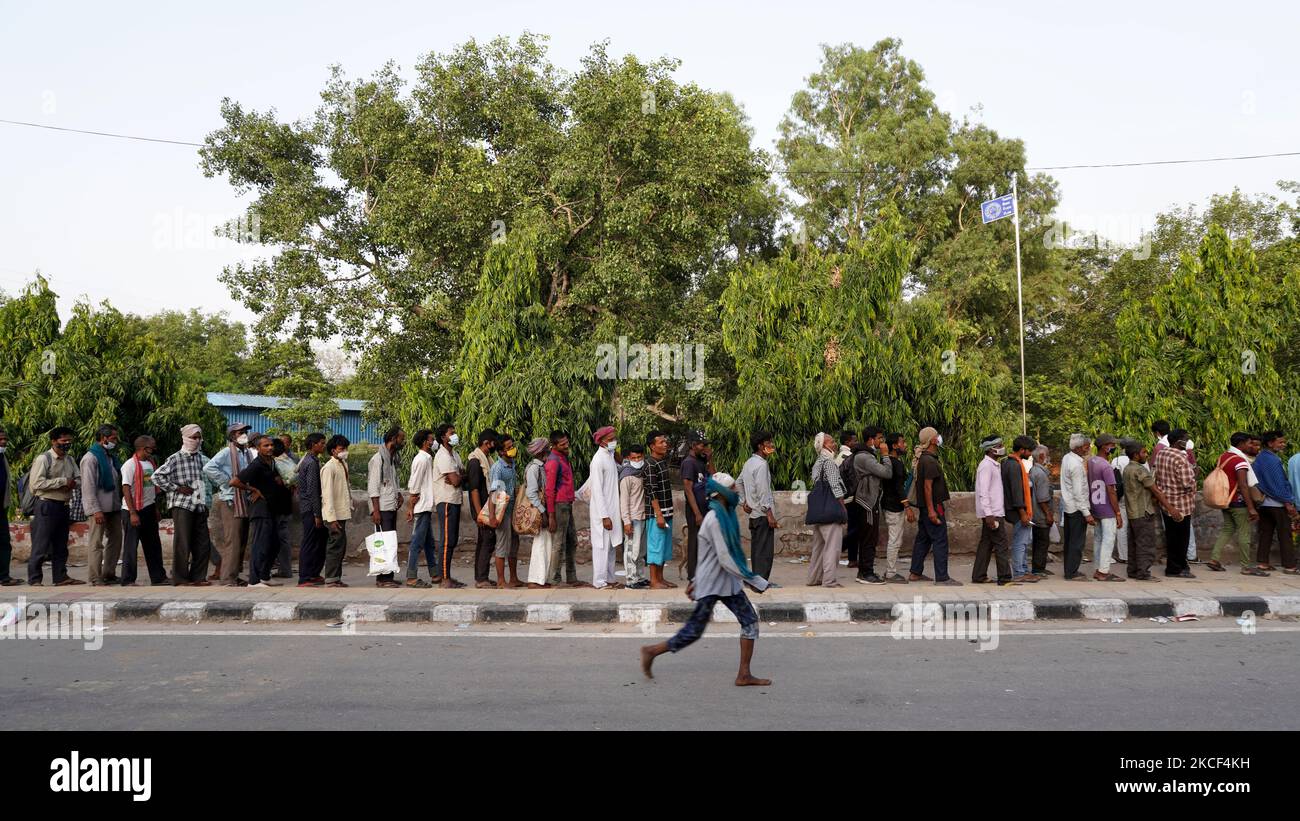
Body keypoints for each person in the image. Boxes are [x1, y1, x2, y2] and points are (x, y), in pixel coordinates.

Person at [640, 473, 771, 686]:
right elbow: (725, 558)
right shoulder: (715, 520)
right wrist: (756, 580)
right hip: (713, 583)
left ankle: (744, 674)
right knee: (693, 631)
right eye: (732, 489)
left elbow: (709, 555)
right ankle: (652, 651)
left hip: (726, 582)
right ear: (722, 494)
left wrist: (694, 581)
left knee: (749, 621)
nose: (736, 492)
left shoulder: (725, 515)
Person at [151, 424, 213, 585]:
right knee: (183, 542)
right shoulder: (175, 458)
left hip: (199, 504)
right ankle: (180, 578)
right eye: (194, 437)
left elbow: (205, 481)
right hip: (182, 504)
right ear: (185, 438)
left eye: (199, 437)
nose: (197, 440)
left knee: (202, 543)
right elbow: (156, 477)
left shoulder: (201, 458)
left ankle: (198, 577)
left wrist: (206, 503)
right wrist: (176, 488)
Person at [27, 427, 83, 586]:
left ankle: (61, 577)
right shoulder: (44, 459)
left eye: (69, 441)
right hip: (47, 504)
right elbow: (36, 484)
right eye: (63, 440)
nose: (67, 443)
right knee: (41, 544)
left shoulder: (70, 459)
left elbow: (78, 479)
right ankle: (35, 579)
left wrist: (72, 484)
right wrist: (62, 482)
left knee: (61, 544)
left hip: (64, 505)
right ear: (54, 441)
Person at [230, 434, 285, 588]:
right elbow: (234, 481)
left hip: (272, 507)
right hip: (261, 509)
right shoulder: (257, 465)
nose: (270, 448)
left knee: (274, 543)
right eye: (265, 446)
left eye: (271, 445)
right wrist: (253, 489)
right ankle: (253, 581)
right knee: (260, 544)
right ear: (258, 448)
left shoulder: (271, 462)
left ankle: (265, 575)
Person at [1208, 432, 1267, 575]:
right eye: (1249, 443)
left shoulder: (1224, 456)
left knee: (1227, 529)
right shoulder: (1240, 461)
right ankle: (1246, 566)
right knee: (1244, 533)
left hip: (1225, 500)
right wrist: (1251, 508)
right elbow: (1243, 485)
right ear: (1241, 444)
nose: (1251, 445)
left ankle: (1214, 559)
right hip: (1238, 502)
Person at [203, 423, 253, 586]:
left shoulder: (246, 453)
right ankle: (227, 578)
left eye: (245, 432)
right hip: (231, 499)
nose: (244, 434)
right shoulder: (226, 452)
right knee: (233, 540)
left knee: (242, 539)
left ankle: (234, 574)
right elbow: (209, 468)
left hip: (244, 499)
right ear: (232, 436)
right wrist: (227, 481)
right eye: (240, 432)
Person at [908, 427, 959, 585]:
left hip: (925, 507)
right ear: (932, 440)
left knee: (923, 539)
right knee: (940, 540)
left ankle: (915, 572)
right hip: (933, 507)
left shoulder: (925, 458)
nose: (939, 437)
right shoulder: (929, 461)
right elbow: (927, 487)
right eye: (937, 435)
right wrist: (932, 511)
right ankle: (942, 577)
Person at [119, 435, 168, 586]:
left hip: (148, 508)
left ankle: (158, 577)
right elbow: (126, 488)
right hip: (132, 510)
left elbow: (153, 488)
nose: (153, 450)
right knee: (131, 546)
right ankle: (128, 579)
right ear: (142, 448)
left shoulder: (150, 464)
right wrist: (133, 513)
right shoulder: (129, 465)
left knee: (153, 545)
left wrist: (156, 509)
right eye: (150, 448)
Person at [1122, 441, 1174, 580]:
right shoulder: (1140, 470)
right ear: (1136, 455)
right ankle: (1143, 573)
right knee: (1146, 544)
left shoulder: (1127, 469)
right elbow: (1155, 491)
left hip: (1132, 512)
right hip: (1143, 512)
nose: (1146, 455)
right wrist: (1171, 509)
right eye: (1144, 452)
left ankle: (1133, 570)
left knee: (1134, 543)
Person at [847, 426, 891, 584]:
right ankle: (866, 573)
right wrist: (885, 455)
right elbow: (887, 473)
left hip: (868, 502)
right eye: (880, 438)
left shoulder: (866, 455)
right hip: (866, 503)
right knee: (868, 539)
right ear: (871, 440)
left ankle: (865, 571)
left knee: (869, 537)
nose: (881, 442)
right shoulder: (865, 457)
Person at [80, 424, 123, 586]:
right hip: (98, 508)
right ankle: (95, 576)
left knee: (116, 538)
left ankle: (109, 573)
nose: (115, 441)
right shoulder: (90, 458)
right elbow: (88, 487)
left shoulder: (110, 457)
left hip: (113, 506)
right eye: (113, 438)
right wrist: (95, 510)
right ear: (103, 438)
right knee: (96, 542)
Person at [1152, 428, 1197, 578]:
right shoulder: (1181, 458)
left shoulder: (1161, 454)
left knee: (1172, 537)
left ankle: (1177, 565)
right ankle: (1176, 568)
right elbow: (1187, 483)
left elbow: (1156, 476)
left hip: (1166, 502)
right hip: (1181, 504)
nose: (1188, 441)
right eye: (1186, 439)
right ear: (1179, 442)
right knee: (1182, 538)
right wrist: (1195, 475)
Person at [367, 426, 405, 589]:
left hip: (390, 505)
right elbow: (373, 487)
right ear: (393, 439)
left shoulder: (391, 459)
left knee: (389, 543)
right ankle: (382, 578)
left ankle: (387, 575)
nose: (403, 442)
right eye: (401, 439)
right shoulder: (378, 459)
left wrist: (399, 494)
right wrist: (375, 510)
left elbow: (392, 482)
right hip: (382, 507)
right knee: (383, 543)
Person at [972, 435, 1014, 585]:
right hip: (993, 513)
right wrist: (989, 514)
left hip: (994, 511)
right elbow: (984, 491)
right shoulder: (986, 466)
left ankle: (979, 575)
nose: (1002, 447)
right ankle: (1005, 578)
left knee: (986, 544)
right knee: (1001, 545)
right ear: (991, 449)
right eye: (1000, 445)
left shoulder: (993, 465)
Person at [1254, 430, 1297, 572]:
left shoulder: (1259, 458)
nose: (1283, 445)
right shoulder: (1273, 460)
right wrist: (1287, 502)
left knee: (1266, 533)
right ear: (1270, 443)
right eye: (1280, 442)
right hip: (1277, 504)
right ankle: (1289, 565)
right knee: (1285, 534)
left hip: (1264, 503)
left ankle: (1262, 562)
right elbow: (1278, 484)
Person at [807, 431, 847, 588]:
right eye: (831, 442)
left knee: (819, 547)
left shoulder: (817, 463)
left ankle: (813, 579)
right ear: (825, 445)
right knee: (832, 547)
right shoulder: (829, 463)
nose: (834, 445)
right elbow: (835, 485)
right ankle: (829, 580)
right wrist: (842, 506)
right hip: (830, 510)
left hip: (819, 510)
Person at [739, 431, 780, 584]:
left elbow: (738, 483)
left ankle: (754, 579)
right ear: (760, 446)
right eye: (768, 443)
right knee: (765, 551)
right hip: (763, 515)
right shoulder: (762, 465)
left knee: (757, 549)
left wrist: (744, 502)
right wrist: (769, 514)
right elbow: (763, 491)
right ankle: (761, 582)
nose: (771, 445)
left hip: (754, 514)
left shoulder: (749, 463)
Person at [587, 425, 624, 590]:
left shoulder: (609, 456)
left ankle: (610, 578)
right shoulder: (598, 460)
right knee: (601, 546)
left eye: (614, 439)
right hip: (603, 512)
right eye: (610, 440)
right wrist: (604, 515)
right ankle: (599, 581)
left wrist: (618, 458)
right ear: (601, 441)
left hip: (612, 509)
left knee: (610, 547)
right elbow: (597, 490)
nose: (613, 442)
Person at [545, 430, 582, 587]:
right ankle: (554, 578)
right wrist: (551, 515)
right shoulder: (554, 462)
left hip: (567, 503)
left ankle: (571, 576)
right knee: (559, 542)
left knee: (572, 540)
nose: (567, 446)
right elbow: (549, 490)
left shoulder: (563, 458)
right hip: (559, 505)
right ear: (554, 445)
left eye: (567, 442)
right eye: (563, 444)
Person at [487, 433, 523, 589]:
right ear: (501, 452)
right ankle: (501, 581)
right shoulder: (498, 468)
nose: (512, 450)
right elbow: (493, 493)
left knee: (514, 544)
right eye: (509, 448)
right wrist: (493, 516)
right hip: (502, 511)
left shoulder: (512, 464)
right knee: (502, 544)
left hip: (512, 508)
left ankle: (513, 578)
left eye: (512, 446)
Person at [432, 424, 466, 589]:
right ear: (444, 437)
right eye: (452, 433)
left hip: (454, 499)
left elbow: (461, 475)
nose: (455, 435)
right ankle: (444, 578)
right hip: (446, 500)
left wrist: (460, 475)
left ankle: (445, 575)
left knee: (451, 540)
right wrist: (459, 476)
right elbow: (456, 480)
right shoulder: (443, 456)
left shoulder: (455, 455)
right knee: (447, 540)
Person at [404, 429, 438, 588]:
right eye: (431, 439)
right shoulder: (421, 460)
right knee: (417, 543)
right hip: (421, 506)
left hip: (426, 506)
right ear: (425, 442)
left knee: (429, 542)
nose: (433, 442)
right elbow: (415, 486)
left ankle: (435, 574)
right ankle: (411, 577)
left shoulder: (426, 459)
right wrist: (411, 506)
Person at [1088, 434, 1125, 582]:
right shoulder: (1106, 466)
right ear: (1104, 446)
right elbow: (1111, 490)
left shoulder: (1091, 461)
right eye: (1111, 445)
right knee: (1109, 539)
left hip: (1095, 506)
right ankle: (1103, 571)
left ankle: (1098, 568)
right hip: (1107, 507)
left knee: (1098, 538)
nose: (1113, 447)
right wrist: (1117, 512)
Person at [1002, 434, 1039, 583]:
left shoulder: (1007, 463)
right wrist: (1023, 512)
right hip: (1017, 510)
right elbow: (1017, 491)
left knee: (1023, 541)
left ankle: (1023, 569)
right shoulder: (1014, 465)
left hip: (1012, 508)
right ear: (1022, 450)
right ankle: (1019, 572)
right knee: (1020, 542)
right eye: (1029, 451)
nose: (1030, 454)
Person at [878, 432, 914, 583]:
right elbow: (899, 487)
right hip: (894, 506)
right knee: (895, 540)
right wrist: (907, 507)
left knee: (895, 539)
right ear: (894, 446)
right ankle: (891, 573)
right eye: (902, 442)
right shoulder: (896, 464)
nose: (905, 445)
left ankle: (890, 571)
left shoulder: (887, 462)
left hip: (887, 503)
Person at [644, 431, 676, 589]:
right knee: (655, 545)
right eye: (661, 442)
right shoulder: (649, 464)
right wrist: (659, 515)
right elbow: (651, 491)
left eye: (665, 441)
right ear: (652, 446)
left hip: (667, 511)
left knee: (663, 546)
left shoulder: (661, 461)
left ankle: (661, 578)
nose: (665, 444)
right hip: (657, 513)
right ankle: (653, 580)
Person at [1059, 433, 1093, 581]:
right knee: (1076, 542)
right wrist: (1087, 513)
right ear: (1079, 448)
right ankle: (1072, 572)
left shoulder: (1067, 458)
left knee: (1069, 541)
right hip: (1077, 508)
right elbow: (1078, 493)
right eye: (1086, 446)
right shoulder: (1076, 465)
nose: (1088, 449)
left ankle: (1069, 569)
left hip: (1068, 506)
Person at [680, 432, 714, 582]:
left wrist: (710, 460)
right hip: (696, 510)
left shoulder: (701, 462)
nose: (705, 448)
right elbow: (688, 489)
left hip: (706, 508)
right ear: (693, 446)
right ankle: (693, 575)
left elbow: (715, 478)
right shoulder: (689, 463)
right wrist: (697, 513)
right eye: (702, 445)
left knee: (706, 540)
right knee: (694, 540)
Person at [295, 433, 327, 587]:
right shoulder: (311, 463)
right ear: (313, 445)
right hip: (310, 508)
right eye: (321, 443)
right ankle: (305, 576)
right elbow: (312, 490)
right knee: (309, 542)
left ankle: (313, 573)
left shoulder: (309, 460)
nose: (323, 445)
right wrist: (317, 514)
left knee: (317, 541)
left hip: (309, 506)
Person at [319, 435, 352, 587]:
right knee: (335, 547)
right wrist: (331, 518)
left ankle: (336, 577)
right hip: (333, 515)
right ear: (333, 451)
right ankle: (331, 578)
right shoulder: (329, 468)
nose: (344, 451)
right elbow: (327, 495)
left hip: (342, 512)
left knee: (340, 546)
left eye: (345, 449)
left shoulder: (342, 464)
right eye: (341, 449)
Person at [523, 437, 556, 588]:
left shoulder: (541, 466)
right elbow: (531, 493)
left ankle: (542, 578)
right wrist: (543, 512)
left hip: (542, 509)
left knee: (545, 544)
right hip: (539, 510)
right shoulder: (534, 468)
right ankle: (535, 579)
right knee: (540, 545)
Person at [618, 441, 650, 589]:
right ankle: (630, 579)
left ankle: (640, 576)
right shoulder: (626, 476)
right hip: (633, 518)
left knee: (641, 550)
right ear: (629, 458)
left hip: (644, 516)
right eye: (634, 458)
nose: (637, 460)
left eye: (639, 457)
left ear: (643, 456)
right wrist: (626, 521)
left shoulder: (644, 471)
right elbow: (623, 501)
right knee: (632, 550)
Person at [268, 437, 297, 578]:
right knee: (283, 538)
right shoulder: (288, 461)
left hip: (277, 507)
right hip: (286, 505)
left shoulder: (274, 464)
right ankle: (285, 569)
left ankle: (281, 569)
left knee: (275, 538)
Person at [1028, 445, 1055, 576]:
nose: (1048, 457)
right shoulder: (1041, 474)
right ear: (1042, 456)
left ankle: (1039, 567)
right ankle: (1038, 568)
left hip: (1035, 512)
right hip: (1040, 513)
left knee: (1039, 541)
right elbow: (1042, 498)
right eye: (1047, 454)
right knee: (1042, 541)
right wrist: (1048, 514)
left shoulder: (1033, 471)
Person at [0, 426, 17, 586]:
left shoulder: (2, 457)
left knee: (4, 542)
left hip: (2, 508)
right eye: (0, 439)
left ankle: (4, 576)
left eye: (5, 439)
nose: (3, 442)